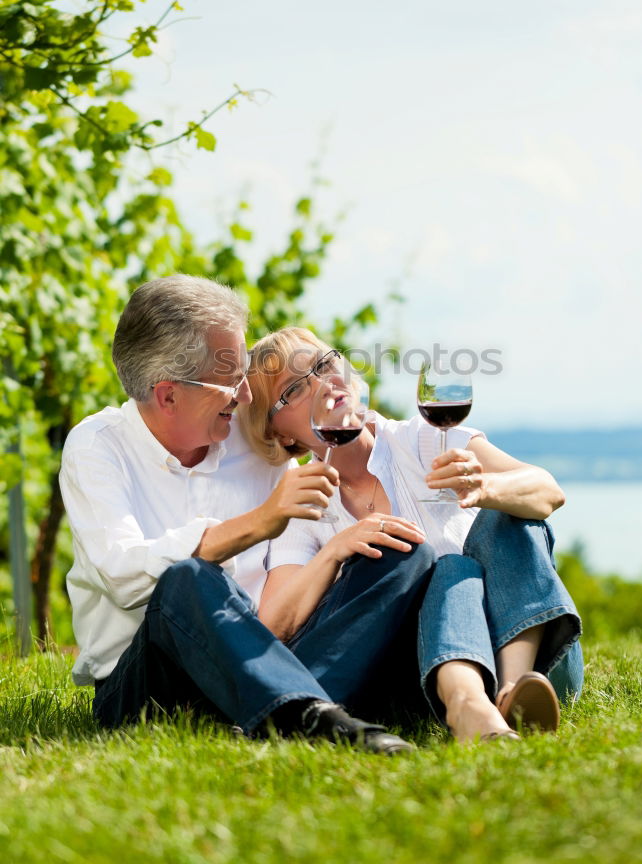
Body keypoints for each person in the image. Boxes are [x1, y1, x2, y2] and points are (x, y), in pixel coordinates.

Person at [60, 275, 443, 754]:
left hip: (274, 655)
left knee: (399, 551)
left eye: (243, 374)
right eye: (229, 381)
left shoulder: (252, 432)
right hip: (152, 685)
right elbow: (121, 574)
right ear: (168, 396)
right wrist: (259, 522)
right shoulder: (97, 448)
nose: (244, 394)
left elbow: (329, 414)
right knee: (188, 578)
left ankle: (296, 713)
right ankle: (311, 712)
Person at [239, 327, 584, 743]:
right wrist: (333, 551)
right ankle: (474, 704)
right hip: (429, 670)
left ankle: (515, 689)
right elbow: (275, 623)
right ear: (280, 434)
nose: (322, 383)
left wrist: (484, 488)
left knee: (507, 509)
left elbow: (548, 490)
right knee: (450, 567)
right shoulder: (304, 500)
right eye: (295, 387)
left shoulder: (423, 440)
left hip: (540, 655)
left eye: (325, 363)